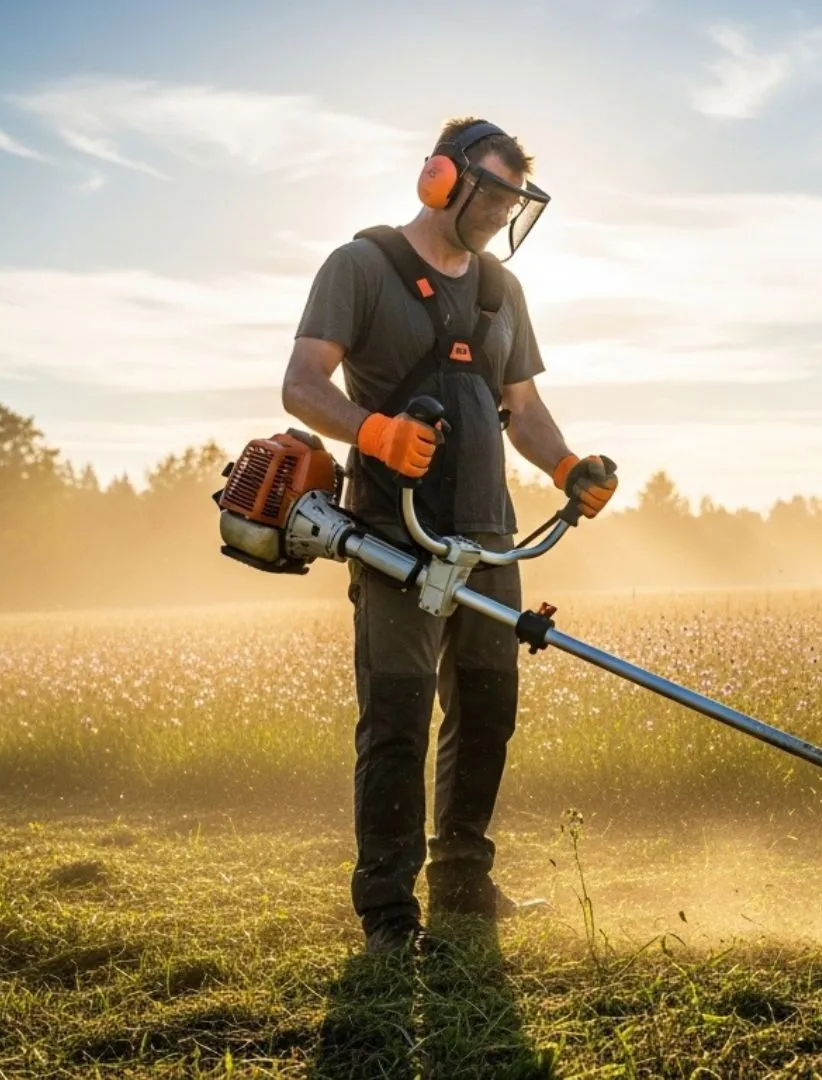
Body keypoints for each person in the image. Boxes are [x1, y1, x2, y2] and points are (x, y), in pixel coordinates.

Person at [281, 117, 618, 954]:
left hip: (489, 533)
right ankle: (390, 915)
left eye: (514, 201)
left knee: (487, 707)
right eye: (492, 193)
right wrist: (373, 433)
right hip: (393, 529)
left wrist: (567, 466)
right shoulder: (361, 267)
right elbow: (300, 385)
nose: (501, 214)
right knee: (397, 712)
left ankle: (465, 883)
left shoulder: (503, 289)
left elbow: (525, 411)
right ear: (441, 178)